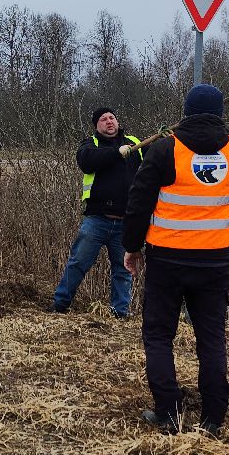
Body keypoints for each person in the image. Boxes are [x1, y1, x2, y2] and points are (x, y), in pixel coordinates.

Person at [123, 83, 229, 435]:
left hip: (168, 259)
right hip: (216, 260)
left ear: (185, 111)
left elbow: (138, 203)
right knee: (211, 338)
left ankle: (168, 411)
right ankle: (213, 418)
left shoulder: (166, 150)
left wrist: (132, 247)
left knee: (159, 335)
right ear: (220, 114)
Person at [50, 107, 146, 317]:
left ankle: (120, 313)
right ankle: (60, 304)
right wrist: (116, 152)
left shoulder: (134, 142)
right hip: (97, 220)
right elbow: (87, 162)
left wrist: (165, 140)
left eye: (112, 118)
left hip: (125, 222)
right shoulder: (89, 145)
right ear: (97, 126)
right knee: (78, 263)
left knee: (123, 271)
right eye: (103, 119)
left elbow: (153, 158)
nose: (109, 121)